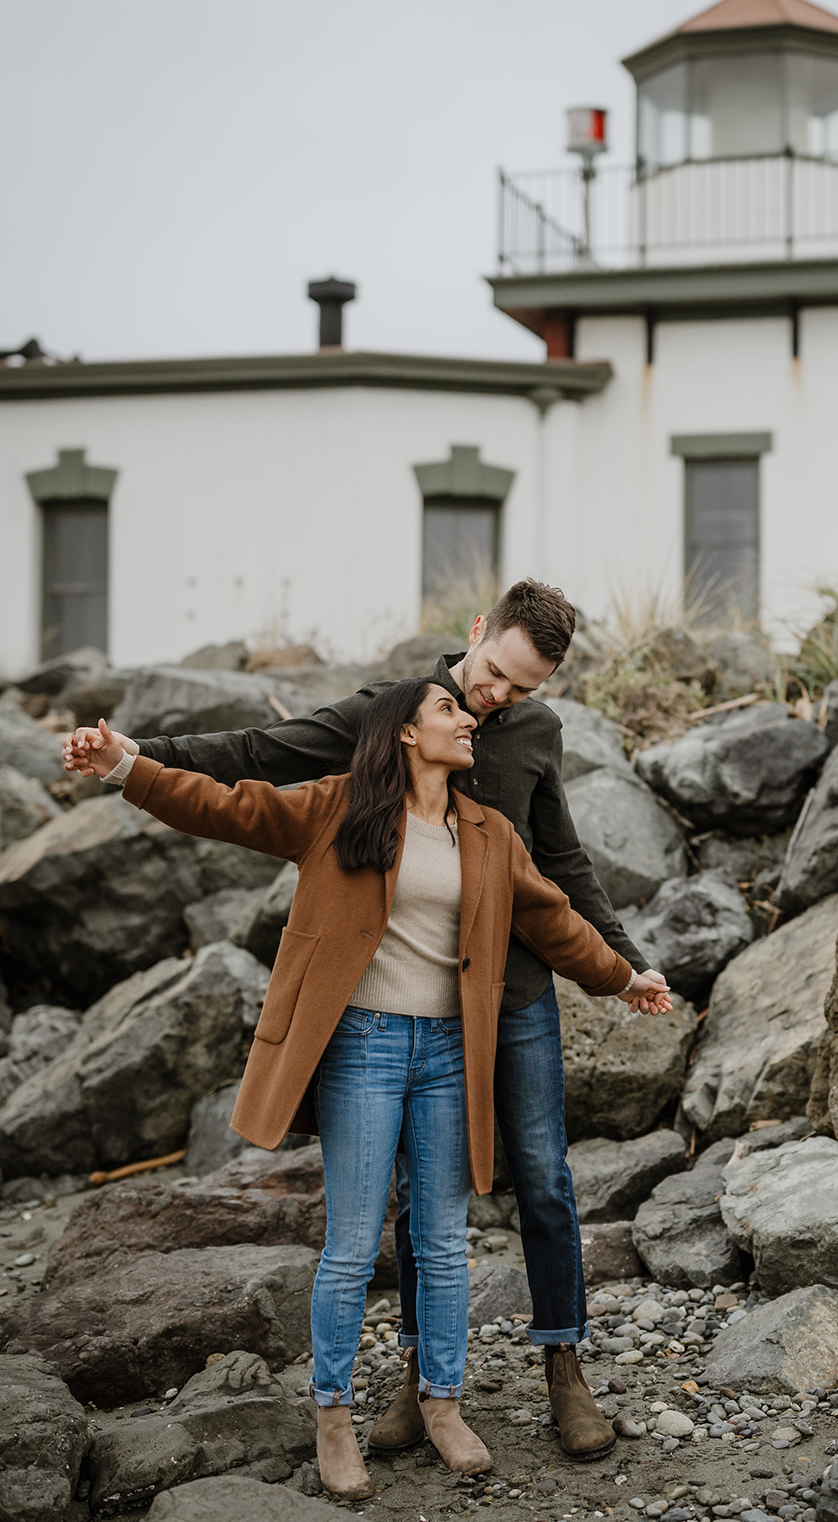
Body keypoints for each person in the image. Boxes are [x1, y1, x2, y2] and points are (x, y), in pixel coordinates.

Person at [64, 579, 668, 1460]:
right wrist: (133, 752)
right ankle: (423, 1377)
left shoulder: (535, 735)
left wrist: (624, 963)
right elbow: (256, 757)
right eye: (494, 676)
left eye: (521, 691)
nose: (496, 701)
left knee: (541, 1176)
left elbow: (559, 863)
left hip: (517, 989)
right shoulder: (387, 716)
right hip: (410, 1010)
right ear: (476, 634)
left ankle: (562, 1365)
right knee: (419, 1198)